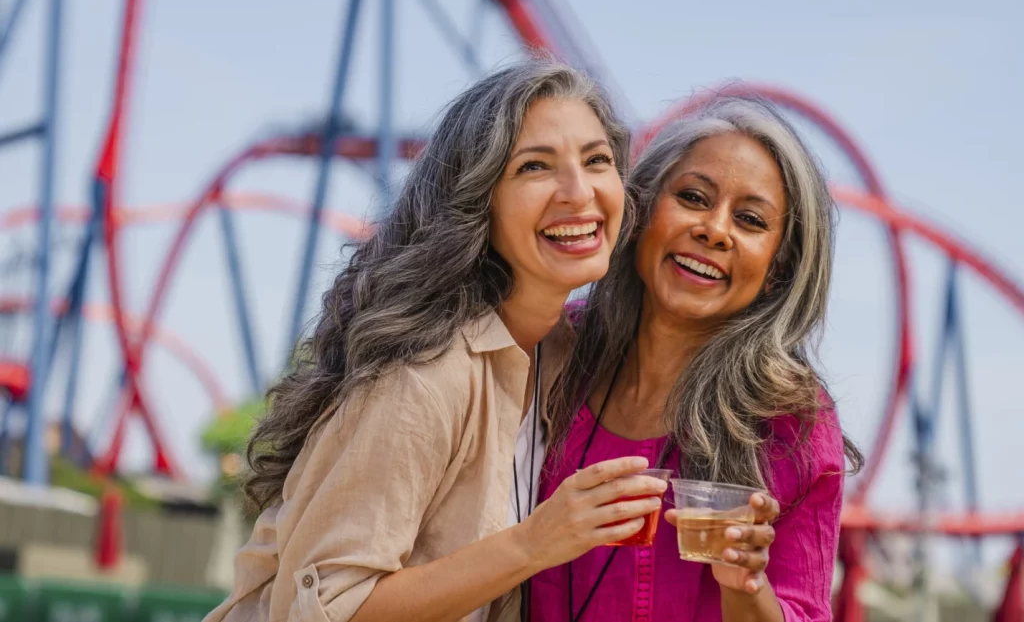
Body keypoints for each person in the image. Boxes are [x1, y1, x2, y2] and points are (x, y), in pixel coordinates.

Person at [204, 59, 670, 622]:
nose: (579, 192)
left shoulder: (568, 359)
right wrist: (533, 543)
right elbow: (327, 609)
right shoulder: (424, 375)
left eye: (597, 161)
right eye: (534, 167)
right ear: (478, 201)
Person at [531, 95, 863, 622]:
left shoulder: (790, 421)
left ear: (777, 269)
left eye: (750, 220)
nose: (715, 230)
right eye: (692, 197)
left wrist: (744, 584)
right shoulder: (549, 351)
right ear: (639, 210)